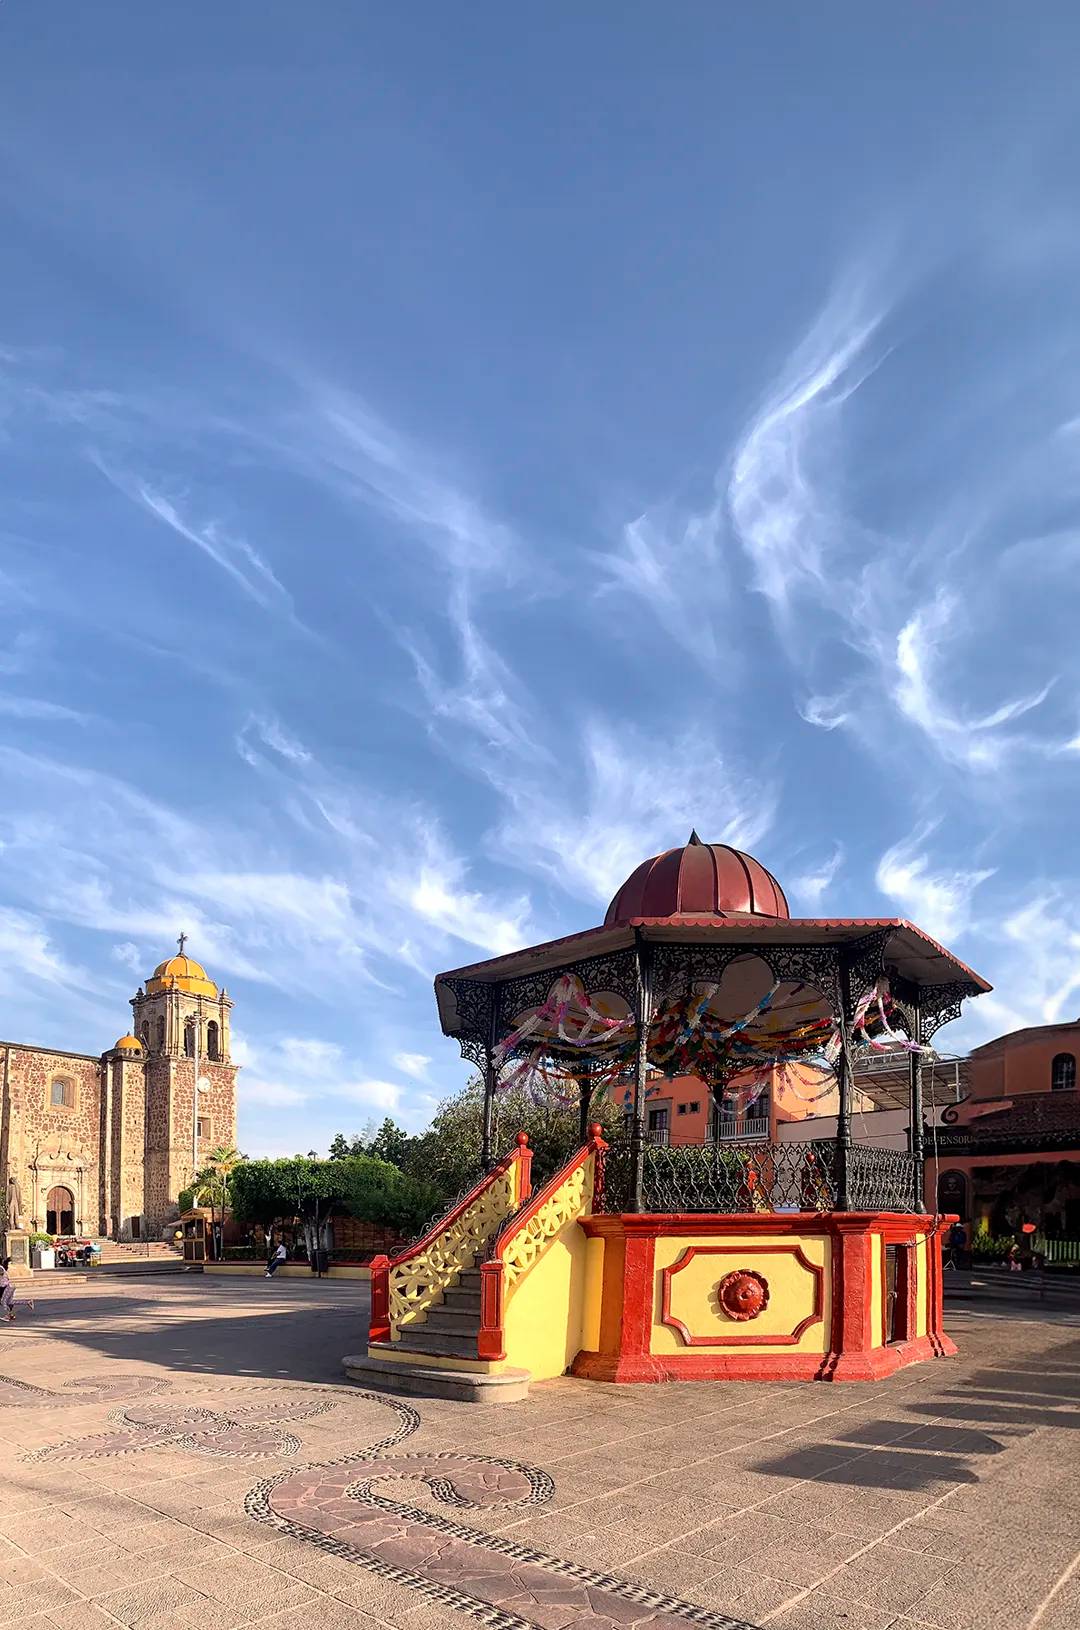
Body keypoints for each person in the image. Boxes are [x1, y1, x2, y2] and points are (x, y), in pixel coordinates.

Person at [0, 1257, 15, 1321]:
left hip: (4, 1287)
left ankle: (8, 1316)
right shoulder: (2, 1267)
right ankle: (11, 1315)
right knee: (8, 1302)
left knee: (3, 1301)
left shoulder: (0, 1268)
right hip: (5, 1286)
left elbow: (1, 1274)